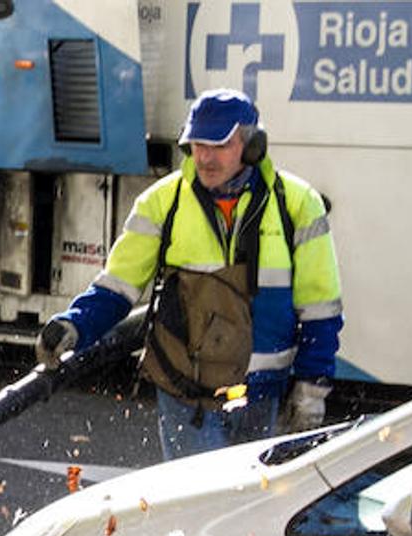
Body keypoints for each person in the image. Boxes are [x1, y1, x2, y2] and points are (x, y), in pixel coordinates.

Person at [36, 88, 342, 459]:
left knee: (248, 510)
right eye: (197, 145)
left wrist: (311, 390)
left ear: (252, 146)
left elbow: (320, 306)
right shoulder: (162, 202)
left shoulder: (298, 203)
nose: (205, 158)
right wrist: (74, 326)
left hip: (262, 393)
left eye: (219, 145)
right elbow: (118, 286)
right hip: (187, 394)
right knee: (198, 509)